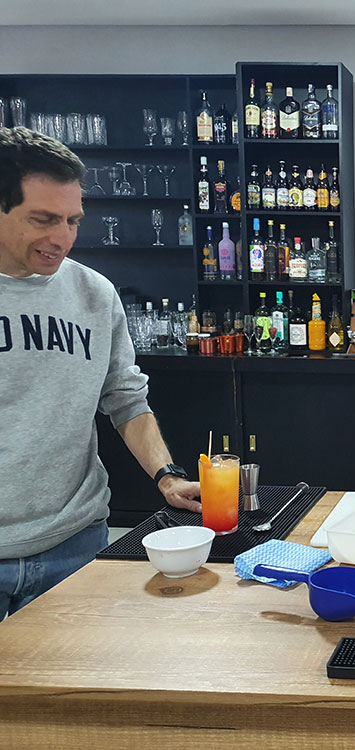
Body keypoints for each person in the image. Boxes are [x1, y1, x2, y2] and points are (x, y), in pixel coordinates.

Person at [0, 127, 202, 619]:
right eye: (43, 219)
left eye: (72, 220)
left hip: (77, 540)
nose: (62, 238)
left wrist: (167, 476)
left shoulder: (94, 293)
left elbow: (127, 399)